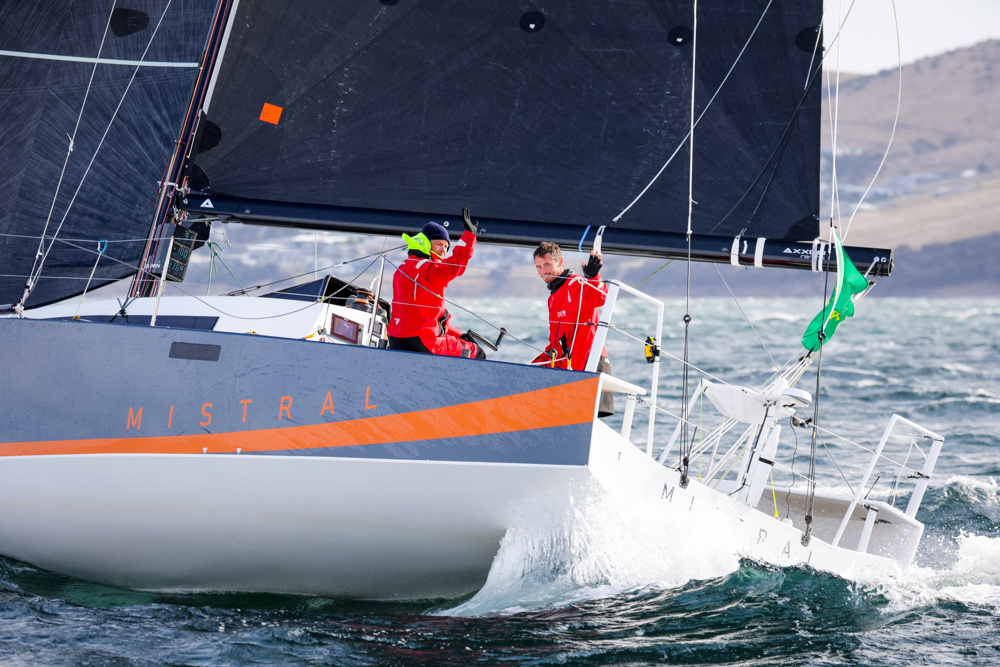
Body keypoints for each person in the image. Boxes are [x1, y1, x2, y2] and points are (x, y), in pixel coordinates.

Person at [388, 209, 485, 359]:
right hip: (424, 341)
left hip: (396, 339)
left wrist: (459, 335)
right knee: (476, 352)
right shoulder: (428, 268)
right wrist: (469, 236)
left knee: (457, 342)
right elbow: (455, 266)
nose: (443, 250)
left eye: (446, 247)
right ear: (425, 243)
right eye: (439, 244)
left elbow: (430, 318)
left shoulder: (402, 268)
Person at [532, 241, 613, 415]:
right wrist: (530, 368)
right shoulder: (553, 297)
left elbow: (600, 297)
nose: (543, 271)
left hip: (589, 362)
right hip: (569, 367)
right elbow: (556, 342)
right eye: (538, 267)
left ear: (560, 261)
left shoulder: (576, 283)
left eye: (547, 264)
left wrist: (593, 277)